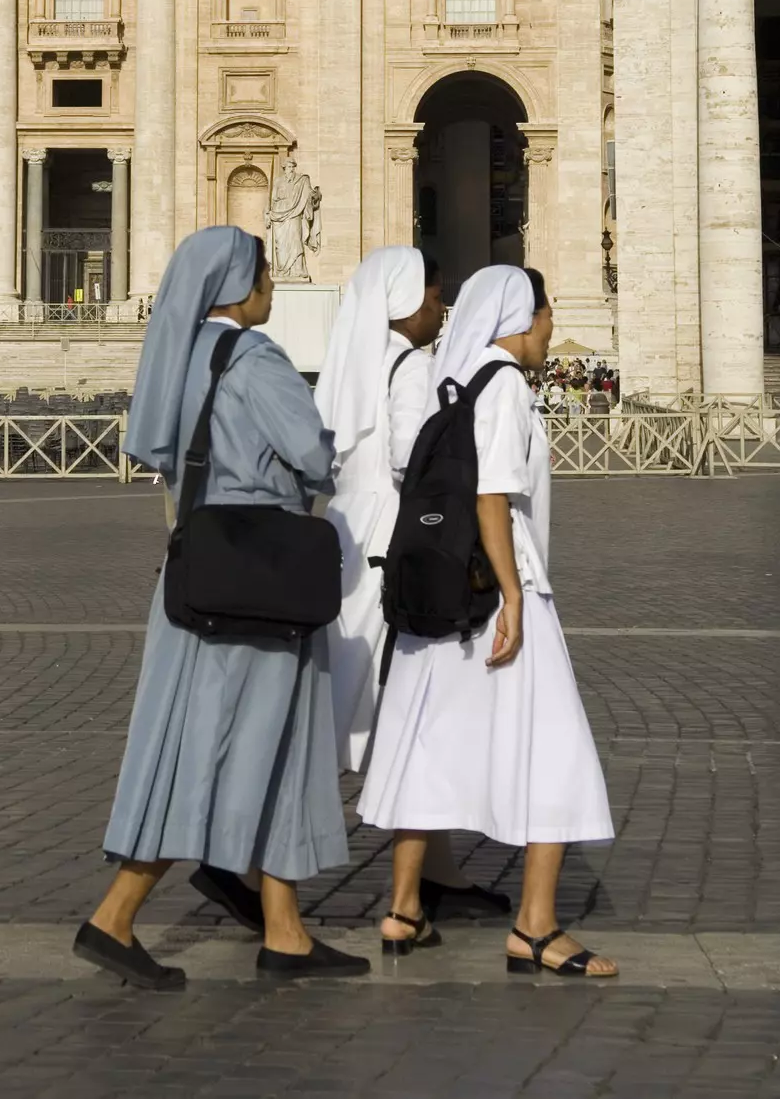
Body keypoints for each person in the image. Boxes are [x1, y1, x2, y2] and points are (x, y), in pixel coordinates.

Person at [76, 225, 366, 990]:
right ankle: (114, 916)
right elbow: (309, 453)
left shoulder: (183, 360)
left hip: (198, 573)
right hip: (258, 578)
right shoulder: (255, 359)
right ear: (240, 285)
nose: (271, 286)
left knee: (247, 740)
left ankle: (285, 930)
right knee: (225, 743)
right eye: (265, 274)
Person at [359, 266, 617, 976]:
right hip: (499, 588)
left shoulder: (449, 381)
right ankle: (534, 926)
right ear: (515, 315)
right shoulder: (501, 383)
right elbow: (491, 498)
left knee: (427, 742)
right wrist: (509, 595)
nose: (548, 329)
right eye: (544, 314)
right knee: (552, 745)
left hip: (440, 594)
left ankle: (403, 908)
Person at [318, 248, 510, 923]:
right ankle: (259, 865)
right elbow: (410, 458)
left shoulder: (361, 361)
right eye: (432, 296)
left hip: (351, 532)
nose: (438, 308)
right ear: (405, 302)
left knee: (375, 695)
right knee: (389, 700)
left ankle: (436, 865)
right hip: (394, 544)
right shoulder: (411, 365)